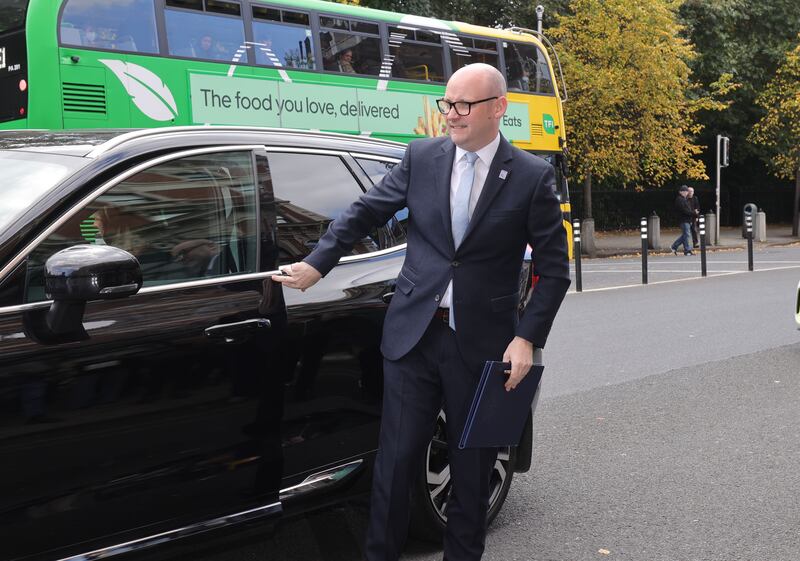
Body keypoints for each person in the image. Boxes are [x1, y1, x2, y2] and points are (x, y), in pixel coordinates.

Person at [272, 63, 570, 561]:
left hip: (483, 347)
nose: (450, 115)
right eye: (446, 103)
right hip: (412, 335)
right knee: (393, 466)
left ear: (498, 108)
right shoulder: (422, 156)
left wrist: (526, 337)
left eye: (462, 106)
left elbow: (555, 270)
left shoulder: (531, 177)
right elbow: (366, 211)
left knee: (471, 475)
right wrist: (317, 264)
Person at [670, 185, 695, 255]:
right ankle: (684, 249)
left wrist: (692, 213)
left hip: (686, 220)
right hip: (683, 220)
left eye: (686, 191)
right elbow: (684, 210)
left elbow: (687, 210)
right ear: (680, 192)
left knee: (685, 235)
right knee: (686, 235)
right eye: (684, 191)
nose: (686, 193)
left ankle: (684, 249)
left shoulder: (684, 199)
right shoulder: (679, 199)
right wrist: (693, 213)